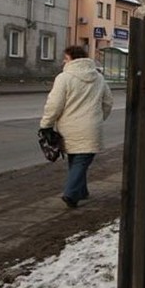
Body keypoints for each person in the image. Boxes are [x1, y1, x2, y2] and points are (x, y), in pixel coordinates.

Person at [39, 46, 113, 208]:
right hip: (91, 126)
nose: (63, 62)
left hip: (69, 127)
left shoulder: (64, 78)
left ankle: (71, 194)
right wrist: (99, 118)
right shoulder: (98, 78)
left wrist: (46, 124)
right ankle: (79, 191)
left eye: (65, 58)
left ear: (73, 59)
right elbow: (108, 102)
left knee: (77, 159)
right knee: (81, 159)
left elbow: (54, 105)